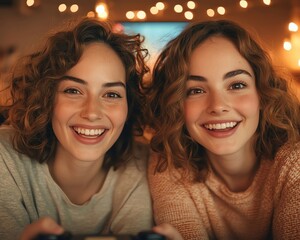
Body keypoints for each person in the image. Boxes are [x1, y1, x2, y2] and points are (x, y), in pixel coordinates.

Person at [0, 17, 153, 240]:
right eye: (73, 90)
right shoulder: (5, 157)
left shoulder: (143, 164)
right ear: (47, 97)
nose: (92, 112)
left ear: (129, 107)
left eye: (111, 94)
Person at [146, 20, 300, 239]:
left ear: (262, 94)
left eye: (236, 85)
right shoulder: (169, 163)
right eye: (196, 90)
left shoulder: (295, 163)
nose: (217, 106)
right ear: (176, 105)